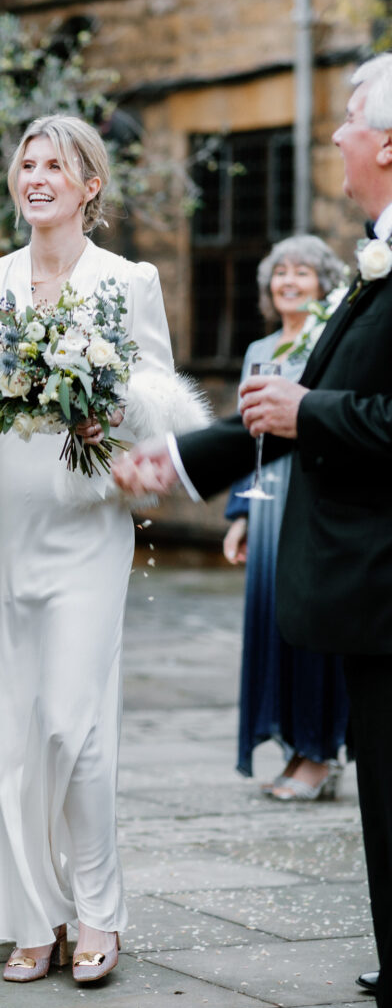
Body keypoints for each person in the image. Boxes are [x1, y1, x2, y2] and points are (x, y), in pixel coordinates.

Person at [113, 52, 392, 1008]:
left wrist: (308, 413)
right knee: (382, 828)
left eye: (348, 124)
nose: (331, 140)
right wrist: (182, 465)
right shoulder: (370, 267)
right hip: (368, 597)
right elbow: (292, 398)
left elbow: (327, 410)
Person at [0, 115, 207, 984]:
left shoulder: (126, 279)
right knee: (9, 734)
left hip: (83, 531)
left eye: (54, 164)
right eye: (26, 161)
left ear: (88, 185)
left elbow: (163, 397)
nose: (36, 176)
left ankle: (100, 912)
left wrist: (116, 405)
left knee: (75, 726)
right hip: (3, 533)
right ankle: (36, 915)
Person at [222, 236, 350, 799]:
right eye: (281, 273)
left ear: (324, 284)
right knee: (271, 624)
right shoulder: (258, 349)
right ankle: (290, 744)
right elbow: (246, 436)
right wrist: (241, 514)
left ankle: (319, 752)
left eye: (303, 272)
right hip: (268, 499)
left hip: (315, 496)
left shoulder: (332, 343)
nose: (290, 282)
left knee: (312, 623)